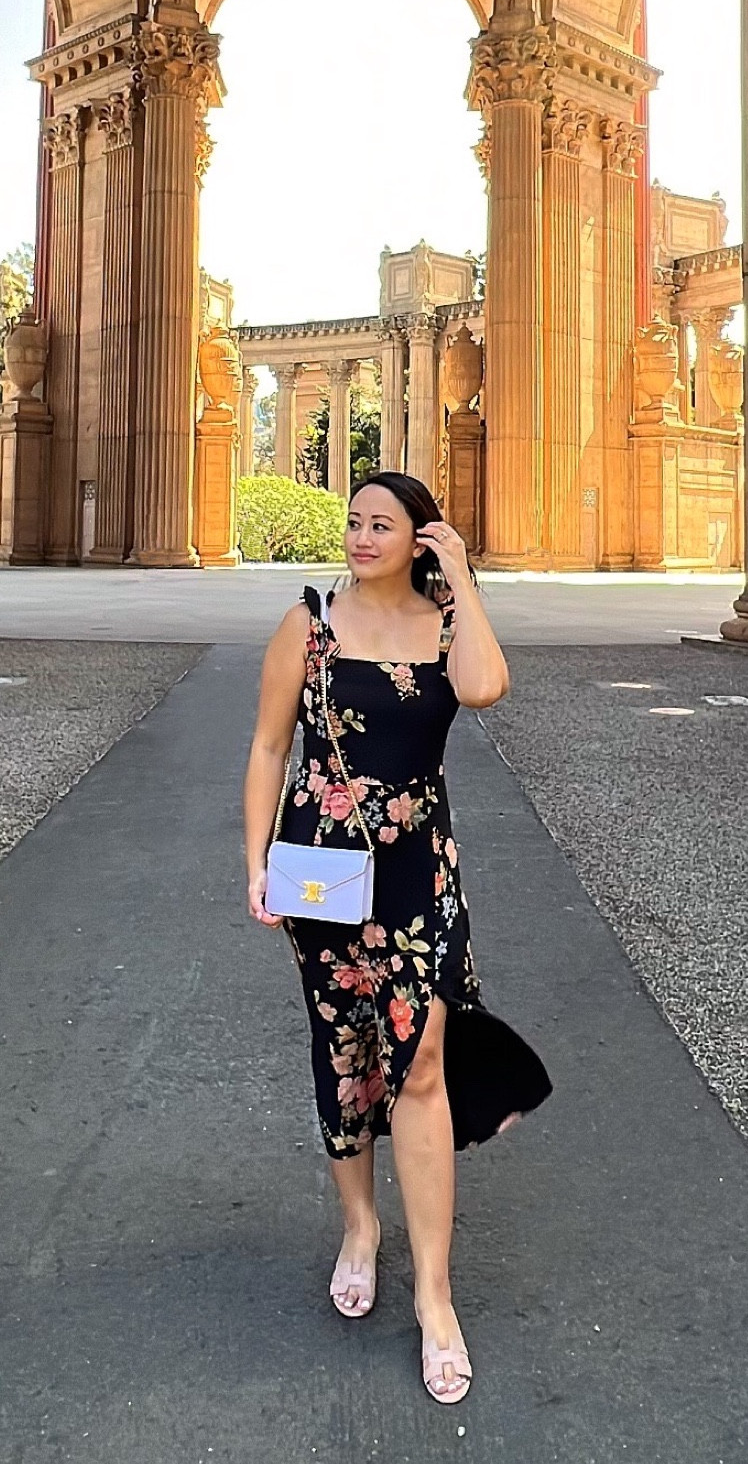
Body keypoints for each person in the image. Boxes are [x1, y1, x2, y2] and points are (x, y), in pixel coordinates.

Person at [243, 471, 552, 1406]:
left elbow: (488, 687)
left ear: (419, 535)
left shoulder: (445, 622)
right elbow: (266, 747)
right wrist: (253, 861)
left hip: (419, 871)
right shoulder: (309, 622)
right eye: (354, 520)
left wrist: (462, 573)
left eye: (385, 523)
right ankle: (360, 1228)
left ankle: (436, 1298)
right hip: (322, 872)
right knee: (345, 1056)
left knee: (420, 1065)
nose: (363, 534)